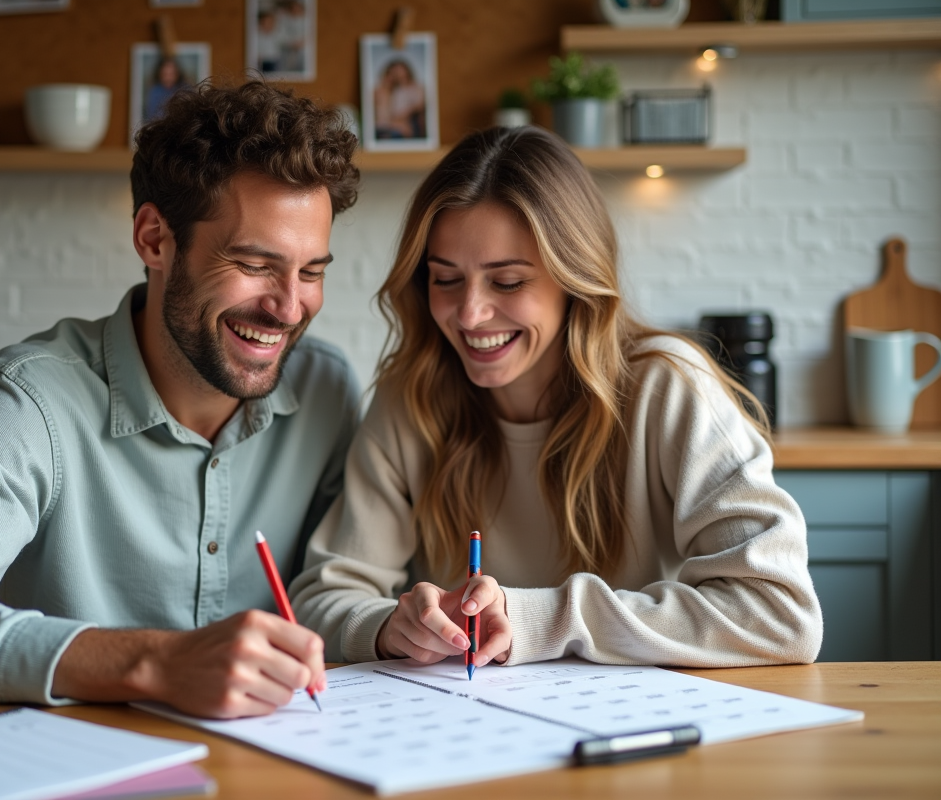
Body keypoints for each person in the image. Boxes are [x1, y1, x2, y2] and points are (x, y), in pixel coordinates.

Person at [0, 81, 363, 719]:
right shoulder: (28, 401)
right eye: (255, 264)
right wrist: (153, 665)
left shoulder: (326, 390)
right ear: (154, 239)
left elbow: (338, 589)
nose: (288, 306)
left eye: (312, 272)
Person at [289, 126, 822, 670]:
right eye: (445, 279)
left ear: (575, 279)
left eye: (508, 282)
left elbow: (779, 614)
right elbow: (320, 602)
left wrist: (542, 620)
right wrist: (385, 627)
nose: (469, 314)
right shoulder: (412, 399)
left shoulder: (667, 387)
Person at [373, 59, 425, 140]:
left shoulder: (415, 88)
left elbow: (419, 106)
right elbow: (380, 121)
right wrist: (397, 125)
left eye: (400, 73)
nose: (397, 76)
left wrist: (408, 112)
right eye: (393, 74)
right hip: (390, 128)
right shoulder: (381, 93)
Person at [145, 57, 189, 123]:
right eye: (165, 74)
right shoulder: (155, 91)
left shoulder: (186, 89)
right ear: (160, 74)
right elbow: (152, 115)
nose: (168, 77)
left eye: (171, 74)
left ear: (177, 74)